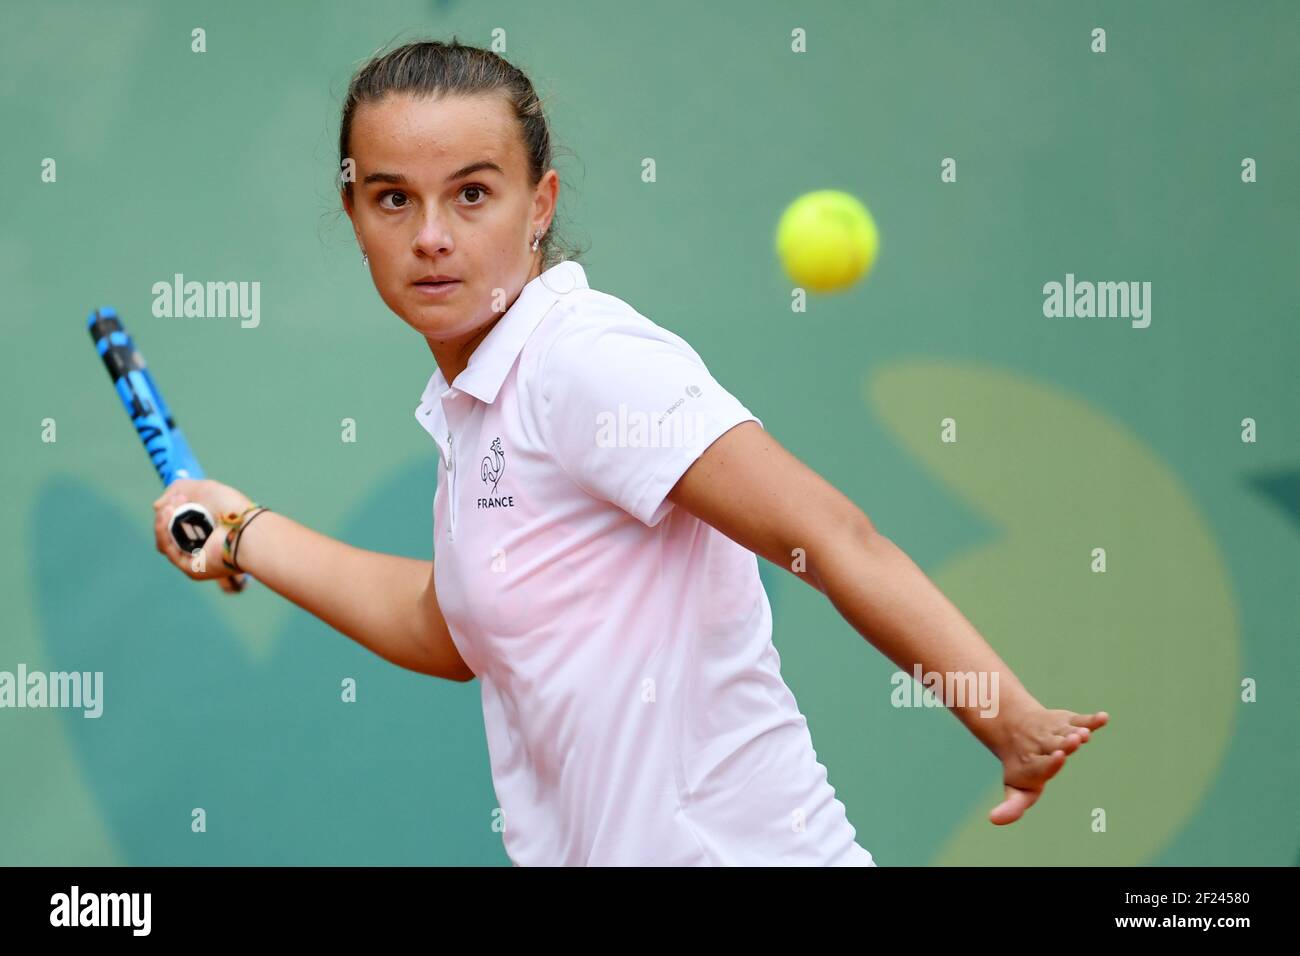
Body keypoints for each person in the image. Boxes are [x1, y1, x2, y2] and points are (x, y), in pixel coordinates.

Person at [152, 38, 1107, 866]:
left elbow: (828, 535)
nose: (432, 236)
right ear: (354, 215)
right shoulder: (478, 398)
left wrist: (1005, 717)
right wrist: (242, 533)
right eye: (394, 199)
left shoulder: (585, 362)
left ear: (540, 204)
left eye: (472, 194)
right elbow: (450, 629)